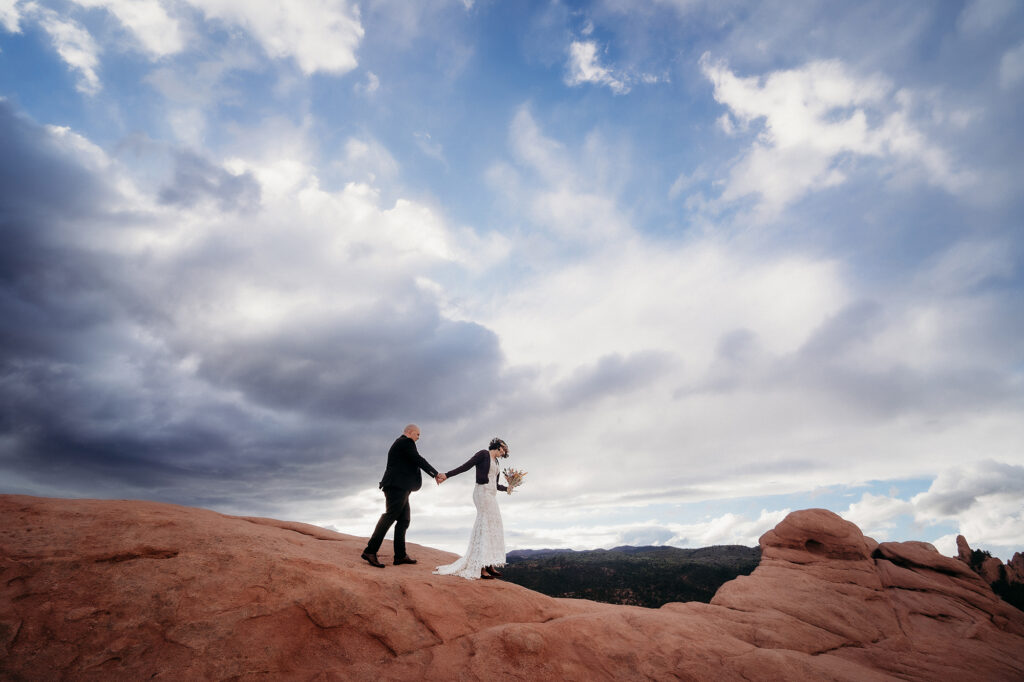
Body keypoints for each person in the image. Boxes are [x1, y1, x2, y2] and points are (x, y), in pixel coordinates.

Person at [361, 424, 445, 568]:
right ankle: (370, 551)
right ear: (411, 433)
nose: (419, 437)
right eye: (418, 434)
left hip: (401, 487)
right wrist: (435, 474)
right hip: (396, 487)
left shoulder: (400, 443)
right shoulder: (406, 442)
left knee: (404, 520)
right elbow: (418, 459)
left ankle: (400, 556)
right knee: (390, 516)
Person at [434, 437, 511, 580]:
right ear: (499, 446)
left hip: (491, 495)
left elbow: (495, 484)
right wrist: (447, 475)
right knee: (485, 524)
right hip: (481, 493)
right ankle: (480, 566)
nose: (503, 453)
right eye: (503, 449)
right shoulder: (483, 454)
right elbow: (466, 466)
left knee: (494, 526)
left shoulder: (497, 462)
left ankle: (489, 563)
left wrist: (507, 488)